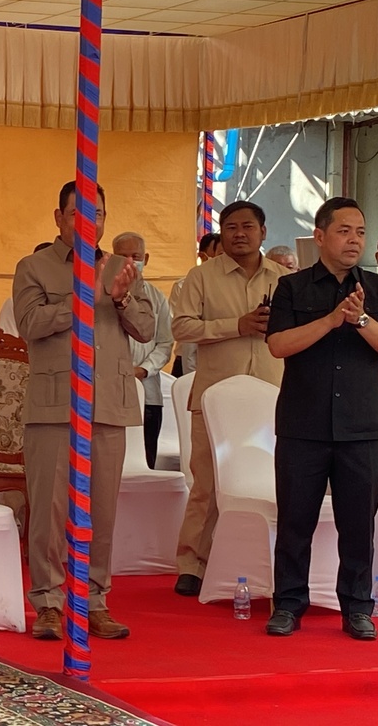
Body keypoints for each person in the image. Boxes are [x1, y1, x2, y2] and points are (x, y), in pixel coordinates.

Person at [13, 181, 153, 642]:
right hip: (55, 406)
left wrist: (121, 297)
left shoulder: (122, 268)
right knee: (50, 513)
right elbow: (30, 323)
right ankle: (49, 603)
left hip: (109, 404)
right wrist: (90, 293)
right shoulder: (33, 266)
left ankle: (94, 600)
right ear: (59, 218)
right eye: (78, 214)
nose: (90, 222)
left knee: (102, 513)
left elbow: (147, 329)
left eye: (98, 214)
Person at [264, 197, 378, 641]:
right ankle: (288, 604)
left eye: (361, 232)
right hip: (302, 424)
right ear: (320, 236)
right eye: (344, 231)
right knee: (295, 521)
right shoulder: (292, 286)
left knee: (358, 525)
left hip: (362, 427)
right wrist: (330, 320)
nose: (354, 240)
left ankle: (357, 607)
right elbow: (278, 345)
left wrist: (360, 319)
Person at [169, 201, 288, 597]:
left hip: (273, 396)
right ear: (221, 233)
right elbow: (182, 327)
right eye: (232, 227)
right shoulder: (201, 277)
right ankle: (192, 564)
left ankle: (273, 563)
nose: (240, 234)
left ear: (263, 232)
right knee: (207, 484)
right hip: (214, 398)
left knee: (274, 481)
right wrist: (236, 326)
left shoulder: (285, 278)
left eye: (248, 226)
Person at [111, 231, 173, 469]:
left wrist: (143, 370)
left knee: (146, 461)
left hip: (148, 394)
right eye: (122, 256)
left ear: (145, 259)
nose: (129, 261)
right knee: (111, 461)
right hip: (110, 392)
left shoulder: (157, 298)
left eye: (135, 256)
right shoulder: (102, 294)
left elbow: (165, 343)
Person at [171, 232, 222, 376]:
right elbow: (183, 330)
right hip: (187, 361)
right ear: (203, 257)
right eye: (219, 255)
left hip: (221, 360)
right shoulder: (184, 286)